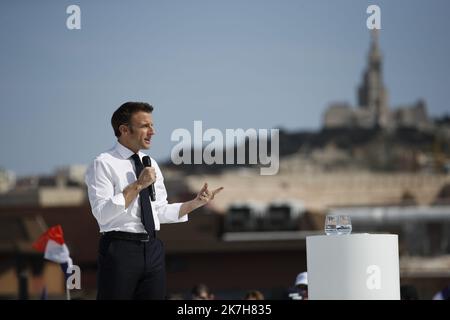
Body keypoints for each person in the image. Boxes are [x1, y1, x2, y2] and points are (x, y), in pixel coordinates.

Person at [85, 102, 223, 300]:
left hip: (153, 249)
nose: (153, 131)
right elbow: (102, 213)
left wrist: (195, 203)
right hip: (120, 249)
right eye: (145, 126)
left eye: (152, 125)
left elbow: (158, 211)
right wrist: (138, 185)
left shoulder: (150, 164)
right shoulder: (103, 164)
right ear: (124, 129)